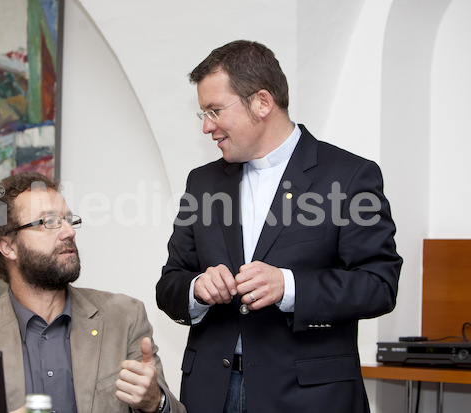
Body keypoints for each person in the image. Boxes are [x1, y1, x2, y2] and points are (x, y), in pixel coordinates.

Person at [156, 40, 402, 413]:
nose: (207, 126)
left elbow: (379, 285)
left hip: (309, 398)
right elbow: (170, 282)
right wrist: (196, 289)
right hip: (210, 393)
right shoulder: (202, 183)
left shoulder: (349, 176)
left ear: (262, 103)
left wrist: (289, 286)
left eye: (215, 110)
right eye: (202, 113)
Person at [0, 171, 185, 413]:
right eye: (49, 222)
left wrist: (155, 402)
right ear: (8, 247)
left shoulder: (125, 318)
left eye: (68, 219)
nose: (69, 231)